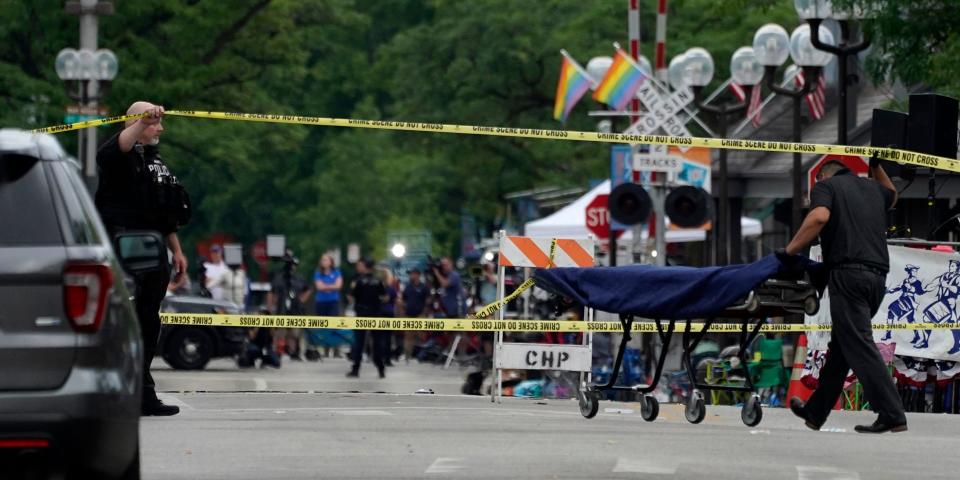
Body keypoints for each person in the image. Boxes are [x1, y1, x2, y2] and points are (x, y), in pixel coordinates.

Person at [781, 158, 907, 434]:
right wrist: (876, 167)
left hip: (848, 276)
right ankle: (816, 412)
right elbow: (893, 195)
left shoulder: (827, 186)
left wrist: (790, 251)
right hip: (876, 280)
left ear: (821, 177)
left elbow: (819, 217)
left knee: (859, 344)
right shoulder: (872, 188)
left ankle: (892, 413)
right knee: (842, 348)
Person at [96, 102, 190, 417]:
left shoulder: (154, 160)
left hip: (153, 250)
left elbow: (161, 212)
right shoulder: (116, 154)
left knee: (149, 323)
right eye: (154, 123)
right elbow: (120, 144)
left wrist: (176, 249)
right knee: (124, 323)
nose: (159, 128)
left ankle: (144, 394)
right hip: (124, 252)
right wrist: (140, 121)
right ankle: (119, 391)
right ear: (137, 122)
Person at [267, 251, 312, 360]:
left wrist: (302, 300)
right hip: (281, 309)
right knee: (280, 331)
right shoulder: (279, 278)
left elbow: (308, 289)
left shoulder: (298, 279)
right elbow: (271, 292)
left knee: (294, 333)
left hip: (295, 309)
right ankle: (279, 351)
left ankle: (294, 351)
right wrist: (270, 307)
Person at [347, 259, 388, 378]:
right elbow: (385, 297)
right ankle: (381, 368)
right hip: (376, 315)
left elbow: (351, 297)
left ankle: (356, 369)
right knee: (377, 343)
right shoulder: (378, 281)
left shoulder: (358, 281)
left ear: (365, 267)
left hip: (361, 315)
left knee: (359, 343)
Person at [308, 254, 344, 360]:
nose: (324, 262)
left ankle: (336, 349)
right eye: (322, 260)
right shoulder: (318, 273)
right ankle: (325, 349)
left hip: (333, 301)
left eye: (326, 260)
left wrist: (327, 287)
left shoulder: (336, 273)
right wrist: (331, 287)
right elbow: (319, 287)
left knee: (335, 325)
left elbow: (338, 286)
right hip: (321, 302)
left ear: (331, 262)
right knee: (324, 325)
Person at [399, 267, 429, 361]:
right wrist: (403, 310)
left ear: (417, 275)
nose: (410, 276)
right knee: (408, 337)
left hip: (420, 315)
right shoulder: (408, 287)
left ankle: (421, 355)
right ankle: (407, 355)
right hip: (409, 315)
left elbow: (427, 302)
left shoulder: (424, 287)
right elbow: (403, 300)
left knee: (421, 336)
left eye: (412, 274)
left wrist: (424, 314)